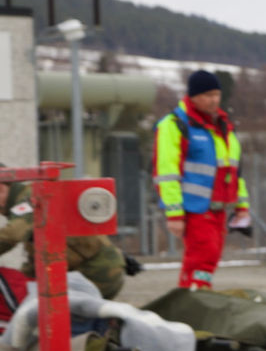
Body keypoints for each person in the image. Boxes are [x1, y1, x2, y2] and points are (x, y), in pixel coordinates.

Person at [153, 69, 250, 289]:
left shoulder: (224, 127)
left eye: (216, 94)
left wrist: (242, 206)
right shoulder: (174, 124)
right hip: (194, 209)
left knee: (207, 259)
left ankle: (189, 299)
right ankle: (198, 299)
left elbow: (235, 172)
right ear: (193, 96)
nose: (214, 100)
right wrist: (174, 212)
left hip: (218, 209)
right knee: (203, 258)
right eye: (207, 95)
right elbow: (166, 172)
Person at [0, 173, 139, 300]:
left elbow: (11, 235)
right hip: (90, 270)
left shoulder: (30, 198)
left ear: (2, 188)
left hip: (94, 272)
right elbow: (40, 253)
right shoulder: (27, 201)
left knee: (56, 317)